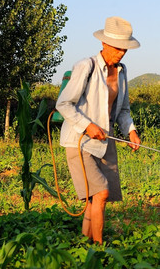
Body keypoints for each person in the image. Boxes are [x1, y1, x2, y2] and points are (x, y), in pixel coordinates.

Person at [55, 16, 141, 244]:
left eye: (124, 49)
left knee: (96, 199)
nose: (121, 53)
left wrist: (131, 131)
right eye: (117, 48)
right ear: (104, 44)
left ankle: (85, 244)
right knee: (101, 193)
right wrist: (88, 125)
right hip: (80, 140)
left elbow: (123, 110)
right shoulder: (86, 66)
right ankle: (99, 249)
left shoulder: (122, 72)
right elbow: (64, 104)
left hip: (105, 140)